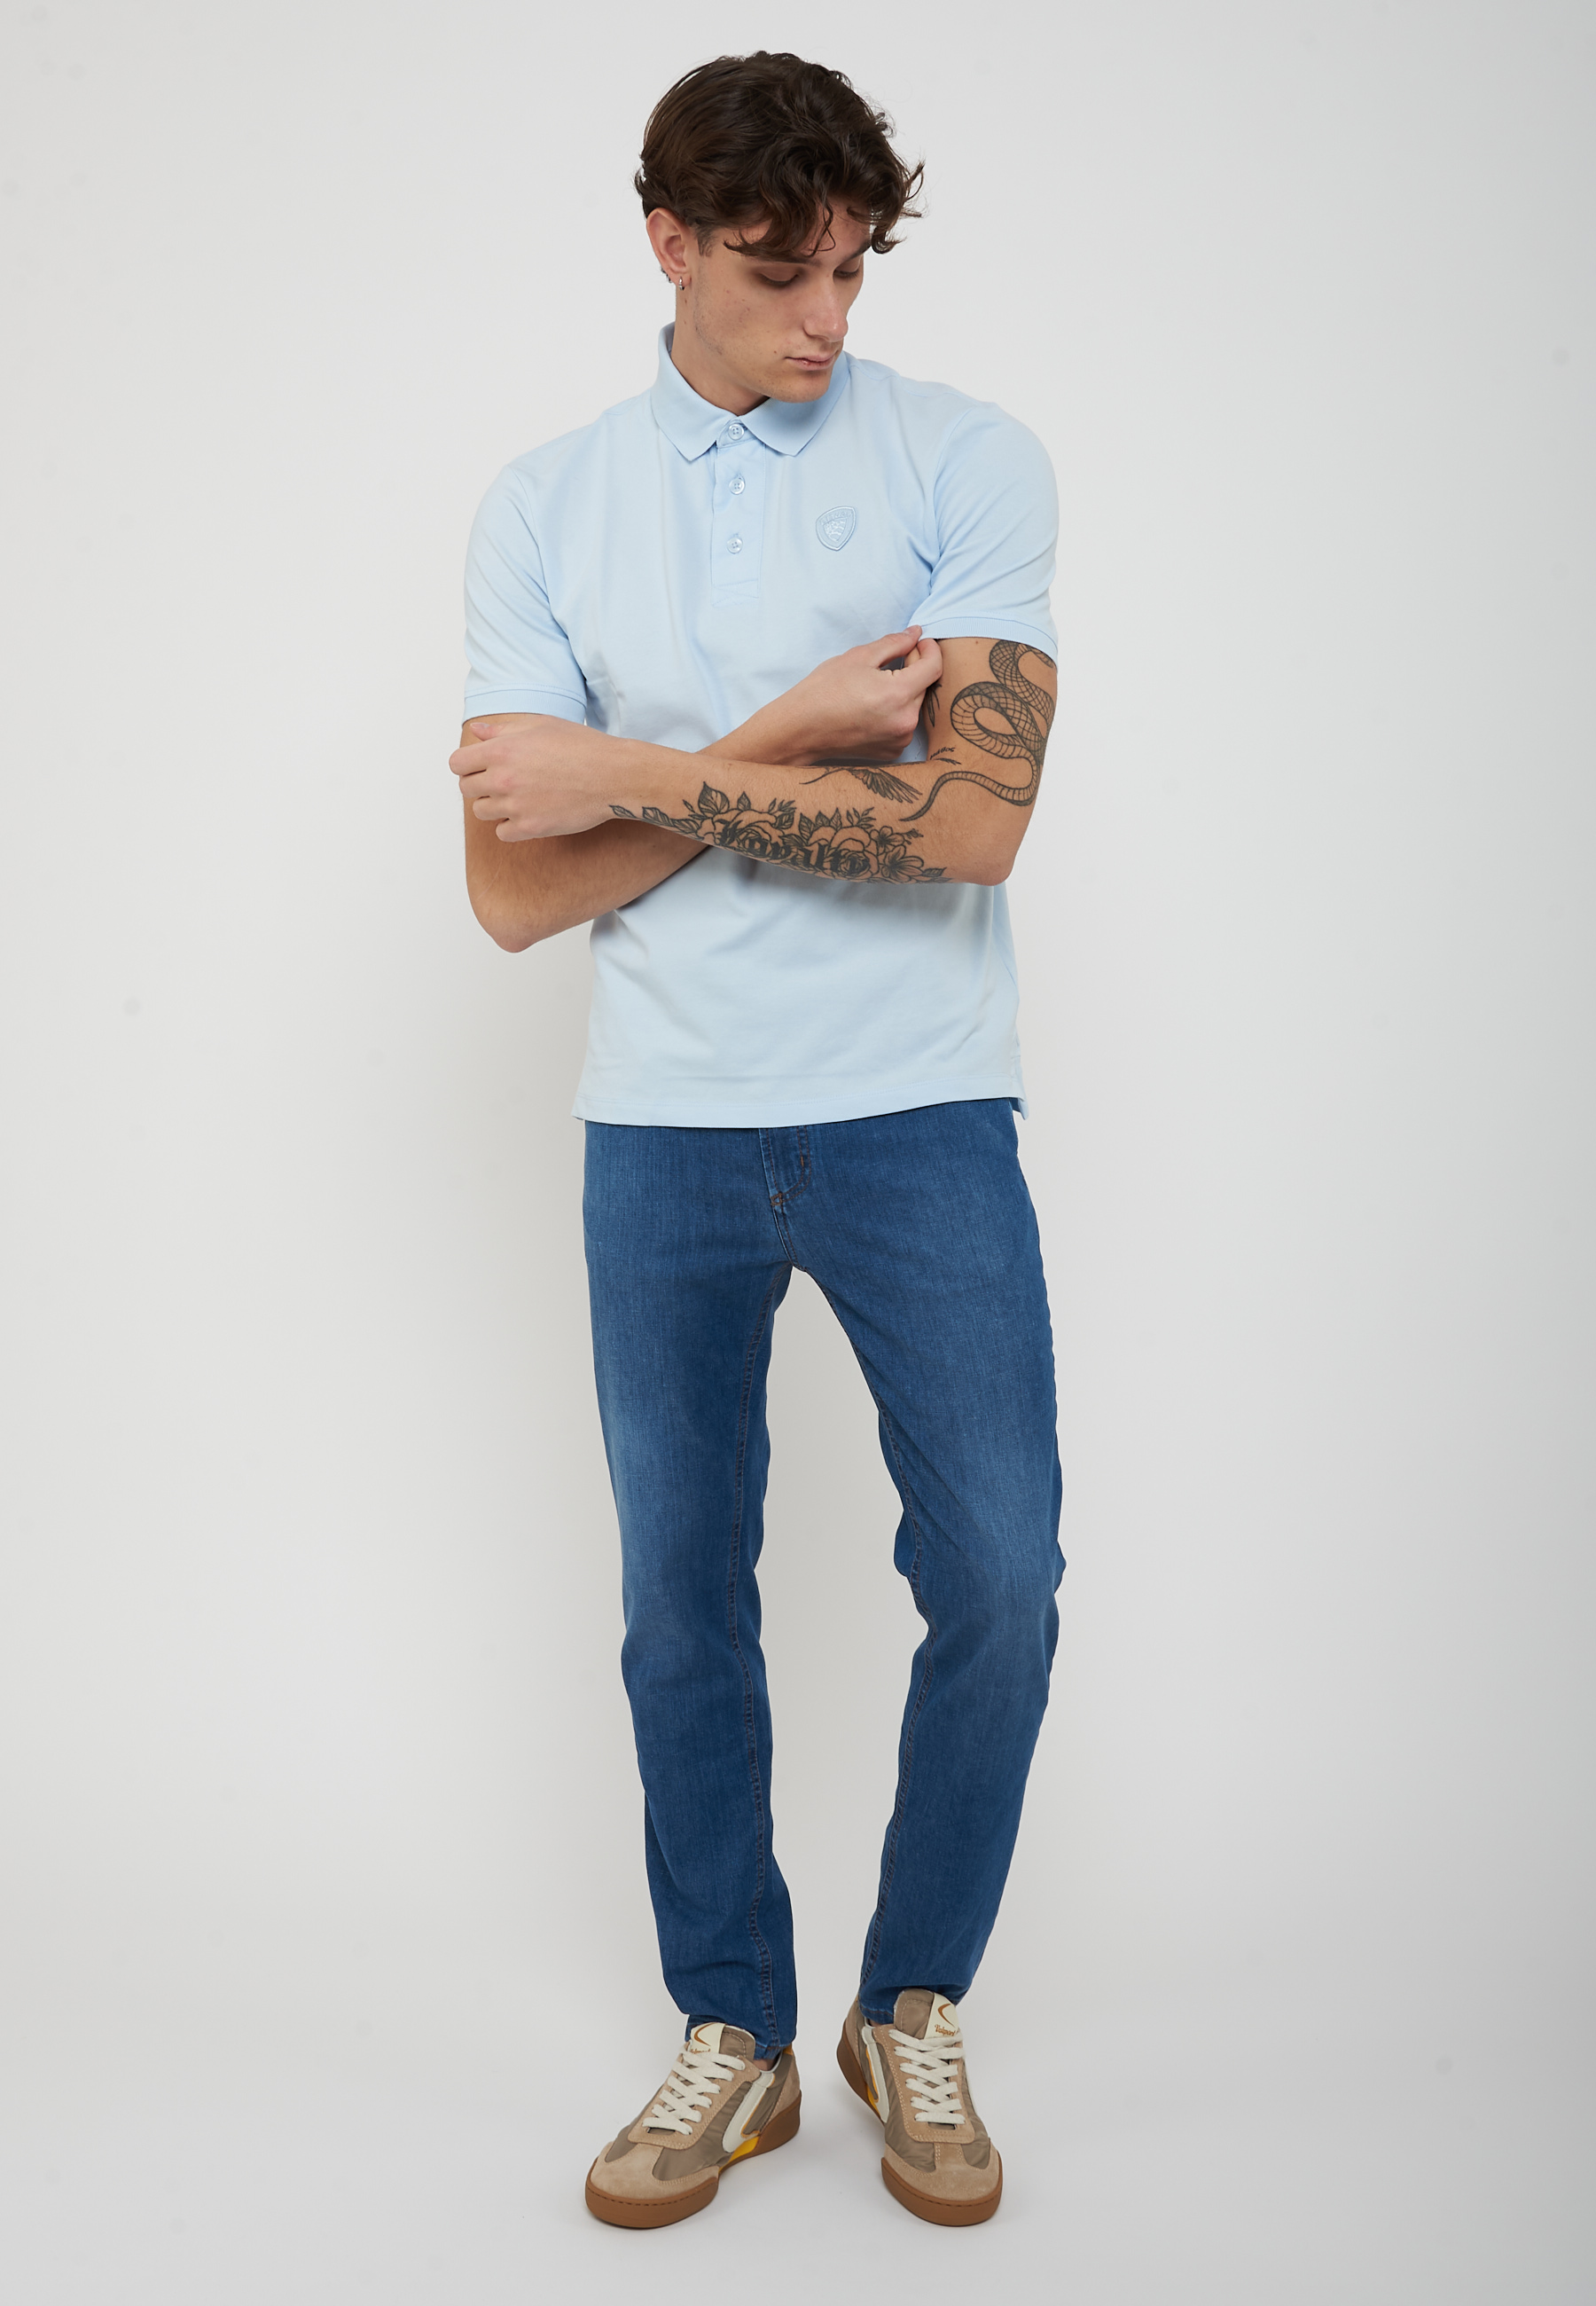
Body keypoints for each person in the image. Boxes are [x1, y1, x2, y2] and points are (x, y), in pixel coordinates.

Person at [452, 51, 1063, 2231]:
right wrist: (804, 738)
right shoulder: (545, 505)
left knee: (1000, 1574)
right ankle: (736, 2023)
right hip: (669, 1127)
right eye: (779, 268)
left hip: (921, 1107)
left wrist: (649, 771)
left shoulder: (966, 458)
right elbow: (511, 891)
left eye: (853, 270)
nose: (824, 315)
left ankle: (909, 2001)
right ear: (670, 242)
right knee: (678, 1605)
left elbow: (972, 823)